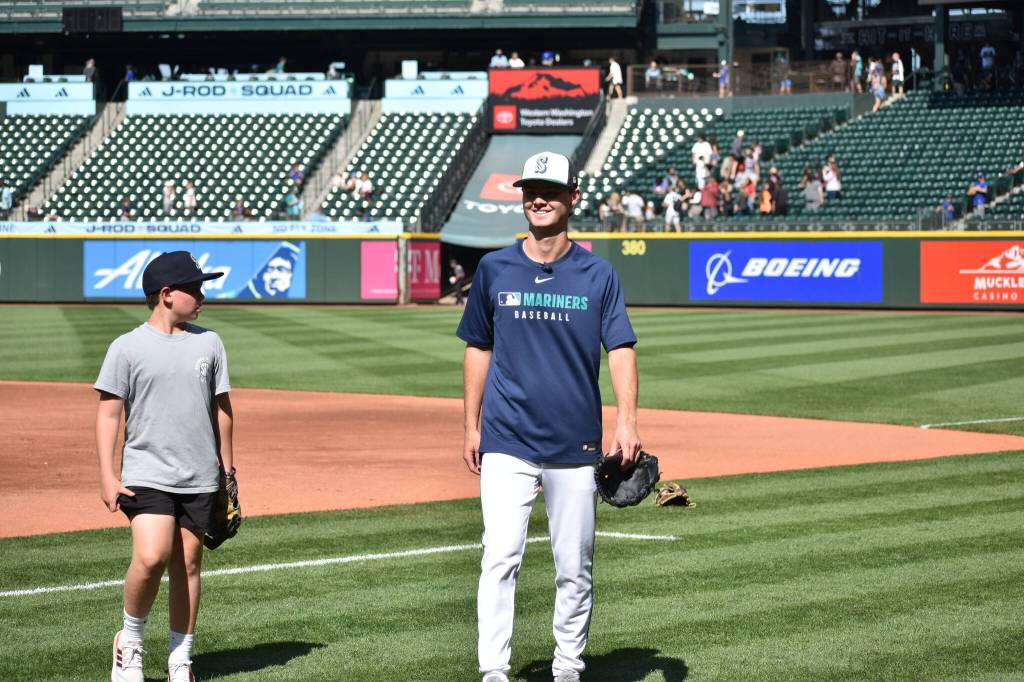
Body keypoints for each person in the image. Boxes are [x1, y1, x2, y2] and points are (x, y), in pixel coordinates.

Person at [457, 150, 640, 682]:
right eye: (530, 189)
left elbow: (621, 348)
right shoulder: (494, 268)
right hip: (506, 439)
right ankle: (493, 671)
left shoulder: (597, 273)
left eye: (550, 189)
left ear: (572, 198)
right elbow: (477, 347)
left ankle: (567, 667)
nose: (537, 198)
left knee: (574, 568)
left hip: (574, 445)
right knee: (500, 558)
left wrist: (626, 419)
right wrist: (471, 422)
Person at [96, 251, 234, 682]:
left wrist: (228, 475)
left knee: (189, 562)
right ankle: (130, 643)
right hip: (146, 471)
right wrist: (106, 473)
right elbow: (108, 414)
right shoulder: (127, 347)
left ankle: (180, 660)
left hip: (198, 474)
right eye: (195, 288)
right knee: (153, 555)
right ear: (167, 294)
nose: (202, 295)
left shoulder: (208, 342)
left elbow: (222, 409)